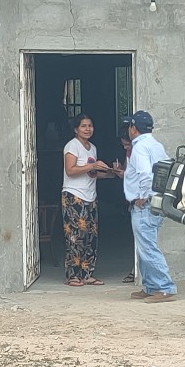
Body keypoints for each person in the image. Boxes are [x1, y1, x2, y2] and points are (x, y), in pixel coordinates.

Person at [122, 110, 177, 303]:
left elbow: (146, 175)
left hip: (145, 205)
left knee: (148, 248)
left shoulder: (139, 147)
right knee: (143, 247)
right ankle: (150, 287)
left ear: (133, 128)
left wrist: (143, 196)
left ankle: (165, 287)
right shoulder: (155, 145)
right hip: (156, 203)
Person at [61, 114, 114, 287]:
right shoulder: (72, 146)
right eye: (83, 126)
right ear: (76, 129)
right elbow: (70, 170)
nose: (87, 129)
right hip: (74, 196)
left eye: (90, 126)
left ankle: (86, 273)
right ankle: (72, 275)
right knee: (75, 237)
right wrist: (92, 165)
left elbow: (91, 173)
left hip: (91, 196)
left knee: (90, 237)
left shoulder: (93, 148)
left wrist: (109, 173)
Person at [112, 127, 136, 284]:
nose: (125, 148)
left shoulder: (139, 152)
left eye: (127, 144)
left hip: (140, 200)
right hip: (132, 199)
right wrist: (120, 171)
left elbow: (141, 175)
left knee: (144, 242)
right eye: (123, 145)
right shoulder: (129, 153)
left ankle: (137, 272)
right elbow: (127, 173)